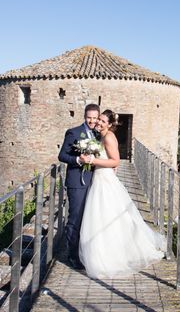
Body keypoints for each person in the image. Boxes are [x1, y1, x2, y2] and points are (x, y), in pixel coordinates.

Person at [78, 109, 166, 278]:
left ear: (110, 124)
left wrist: (92, 160)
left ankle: (110, 256)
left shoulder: (109, 137)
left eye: (103, 121)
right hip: (99, 178)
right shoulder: (99, 136)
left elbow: (115, 161)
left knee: (106, 215)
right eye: (99, 120)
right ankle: (100, 254)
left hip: (104, 180)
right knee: (99, 216)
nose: (99, 123)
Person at [58, 103, 100, 269]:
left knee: (89, 218)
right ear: (84, 116)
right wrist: (77, 160)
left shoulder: (98, 135)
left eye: (94, 118)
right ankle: (72, 256)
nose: (91, 121)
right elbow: (62, 155)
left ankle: (85, 253)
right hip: (77, 182)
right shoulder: (74, 132)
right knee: (75, 218)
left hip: (93, 181)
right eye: (89, 117)